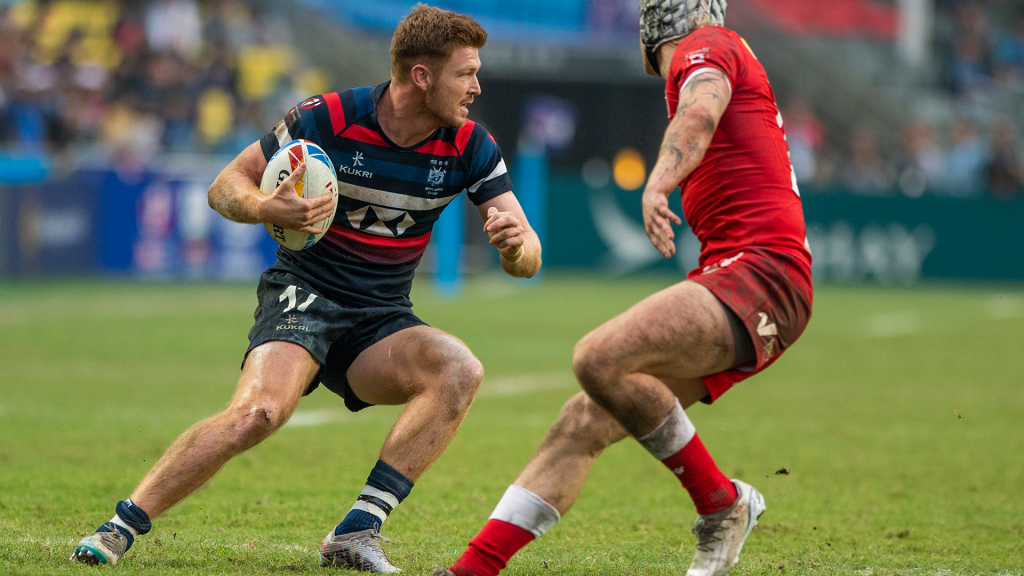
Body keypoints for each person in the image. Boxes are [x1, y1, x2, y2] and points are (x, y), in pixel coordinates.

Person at [70, 5, 541, 572]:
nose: (476, 87)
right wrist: (266, 207)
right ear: (422, 75)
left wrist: (515, 248)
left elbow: (528, 257)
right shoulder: (330, 116)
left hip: (381, 320)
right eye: (466, 73)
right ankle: (120, 526)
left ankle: (356, 531)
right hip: (305, 295)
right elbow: (225, 186)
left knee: (459, 369)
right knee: (258, 413)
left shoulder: (470, 145)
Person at [435, 1, 813, 575]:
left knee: (598, 358)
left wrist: (658, 183)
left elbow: (701, 112)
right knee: (580, 423)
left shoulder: (705, 44)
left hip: (761, 273)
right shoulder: (715, 52)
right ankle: (471, 570)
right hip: (743, 274)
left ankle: (721, 502)